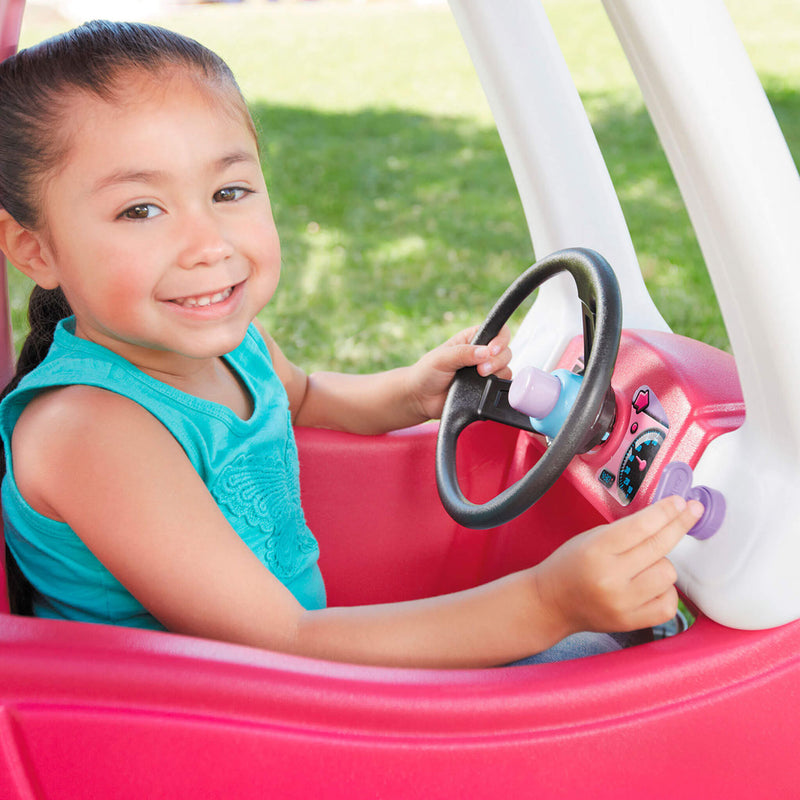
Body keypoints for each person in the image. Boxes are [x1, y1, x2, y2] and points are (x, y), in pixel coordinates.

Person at [0, 21, 703, 669]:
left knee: (628, 645)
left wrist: (410, 390)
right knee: (609, 660)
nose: (208, 244)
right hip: (209, 730)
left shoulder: (225, 346)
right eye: (141, 209)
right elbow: (283, 638)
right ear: (35, 249)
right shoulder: (90, 430)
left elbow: (304, 395)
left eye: (230, 190)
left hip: (294, 670)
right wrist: (548, 602)